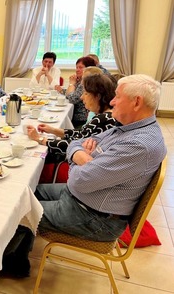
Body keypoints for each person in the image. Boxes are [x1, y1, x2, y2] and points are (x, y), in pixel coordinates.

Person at [35, 74, 166, 242]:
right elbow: (78, 142)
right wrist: (82, 156)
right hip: (82, 199)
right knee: (25, 192)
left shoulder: (139, 144)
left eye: (118, 96)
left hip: (94, 218)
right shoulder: (129, 127)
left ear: (137, 102)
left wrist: (82, 159)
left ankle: (17, 263)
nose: (111, 102)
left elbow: (79, 181)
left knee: (16, 209)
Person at [27, 74, 116, 156]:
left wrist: (39, 139)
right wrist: (53, 130)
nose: (81, 97)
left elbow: (70, 145)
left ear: (97, 96)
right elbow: (81, 133)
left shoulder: (102, 119)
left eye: (85, 93)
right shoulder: (107, 115)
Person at [55, 56, 96, 128]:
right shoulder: (80, 80)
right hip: (76, 116)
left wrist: (72, 83)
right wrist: (62, 90)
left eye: (80, 67)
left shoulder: (87, 83)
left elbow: (72, 99)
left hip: (81, 119)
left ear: (88, 69)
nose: (77, 70)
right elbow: (70, 94)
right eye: (77, 67)